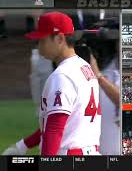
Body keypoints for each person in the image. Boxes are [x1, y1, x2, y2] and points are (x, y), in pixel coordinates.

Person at [2, 11, 101, 156]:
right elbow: (54, 123)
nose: (39, 45)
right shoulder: (84, 67)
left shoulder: (62, 76)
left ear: (60, 39)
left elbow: (55, 129)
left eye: (42, 40)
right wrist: (22, 146)